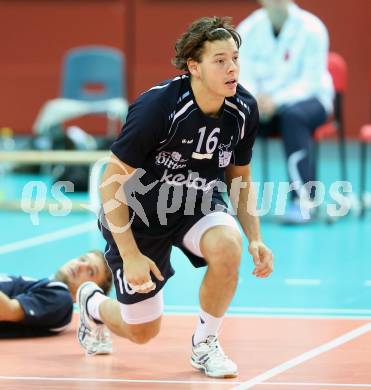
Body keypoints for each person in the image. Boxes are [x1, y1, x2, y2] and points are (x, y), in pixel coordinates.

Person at [77, 16, 273, 378]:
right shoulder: (158, 107)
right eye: (220, 60)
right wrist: (131, 255)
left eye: (235, 58)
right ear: (193, 67)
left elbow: (239, 175)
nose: (232, 68)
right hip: (139, 215)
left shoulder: (243, 109)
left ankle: (205, 345)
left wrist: (255, 237)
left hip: (195, 204)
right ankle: (92, 304)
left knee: (227, 245)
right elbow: (111, 183)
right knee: (142, 331)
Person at [237, 0, 334, 223]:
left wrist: (276, 101)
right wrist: (255, 101)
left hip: (310, 101)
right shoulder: (248, 29)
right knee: (232, 115)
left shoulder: (312, 28)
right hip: (261, 104)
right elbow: (243, 74)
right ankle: (221, 199)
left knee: (294, 117)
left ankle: (303, 199)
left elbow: (310, 81)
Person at [0, 250, 112, 339]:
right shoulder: (44, 286)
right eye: (82, 259)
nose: (79, 265)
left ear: (91, 292)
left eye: (91, 271)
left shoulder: (60, 298)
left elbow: (8, 310)